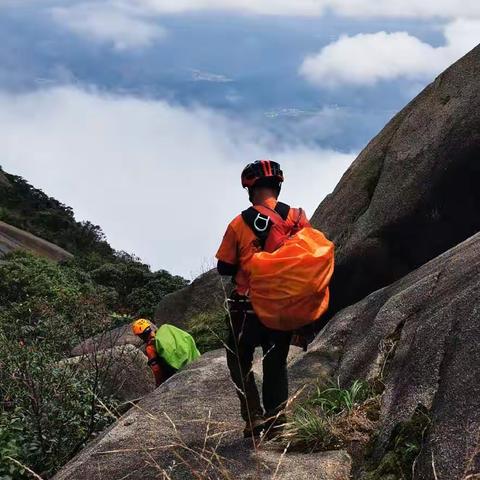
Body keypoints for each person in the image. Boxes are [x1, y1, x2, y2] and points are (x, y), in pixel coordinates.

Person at [216, 160, 310, 438]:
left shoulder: (238, 223)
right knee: (275, 364)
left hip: (247, 309)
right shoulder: (297, 218)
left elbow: (225, 267)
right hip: (283, 309)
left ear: (250, 189)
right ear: (278, 186)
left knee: (237, 358)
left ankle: (254, 416)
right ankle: (277, 422)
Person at [131, 318, 200, 387]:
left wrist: (158, 386)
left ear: (141, 336)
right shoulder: (166, 329)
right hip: (194, 359)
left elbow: (156, 369)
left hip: (177, 373)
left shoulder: (150, 348)